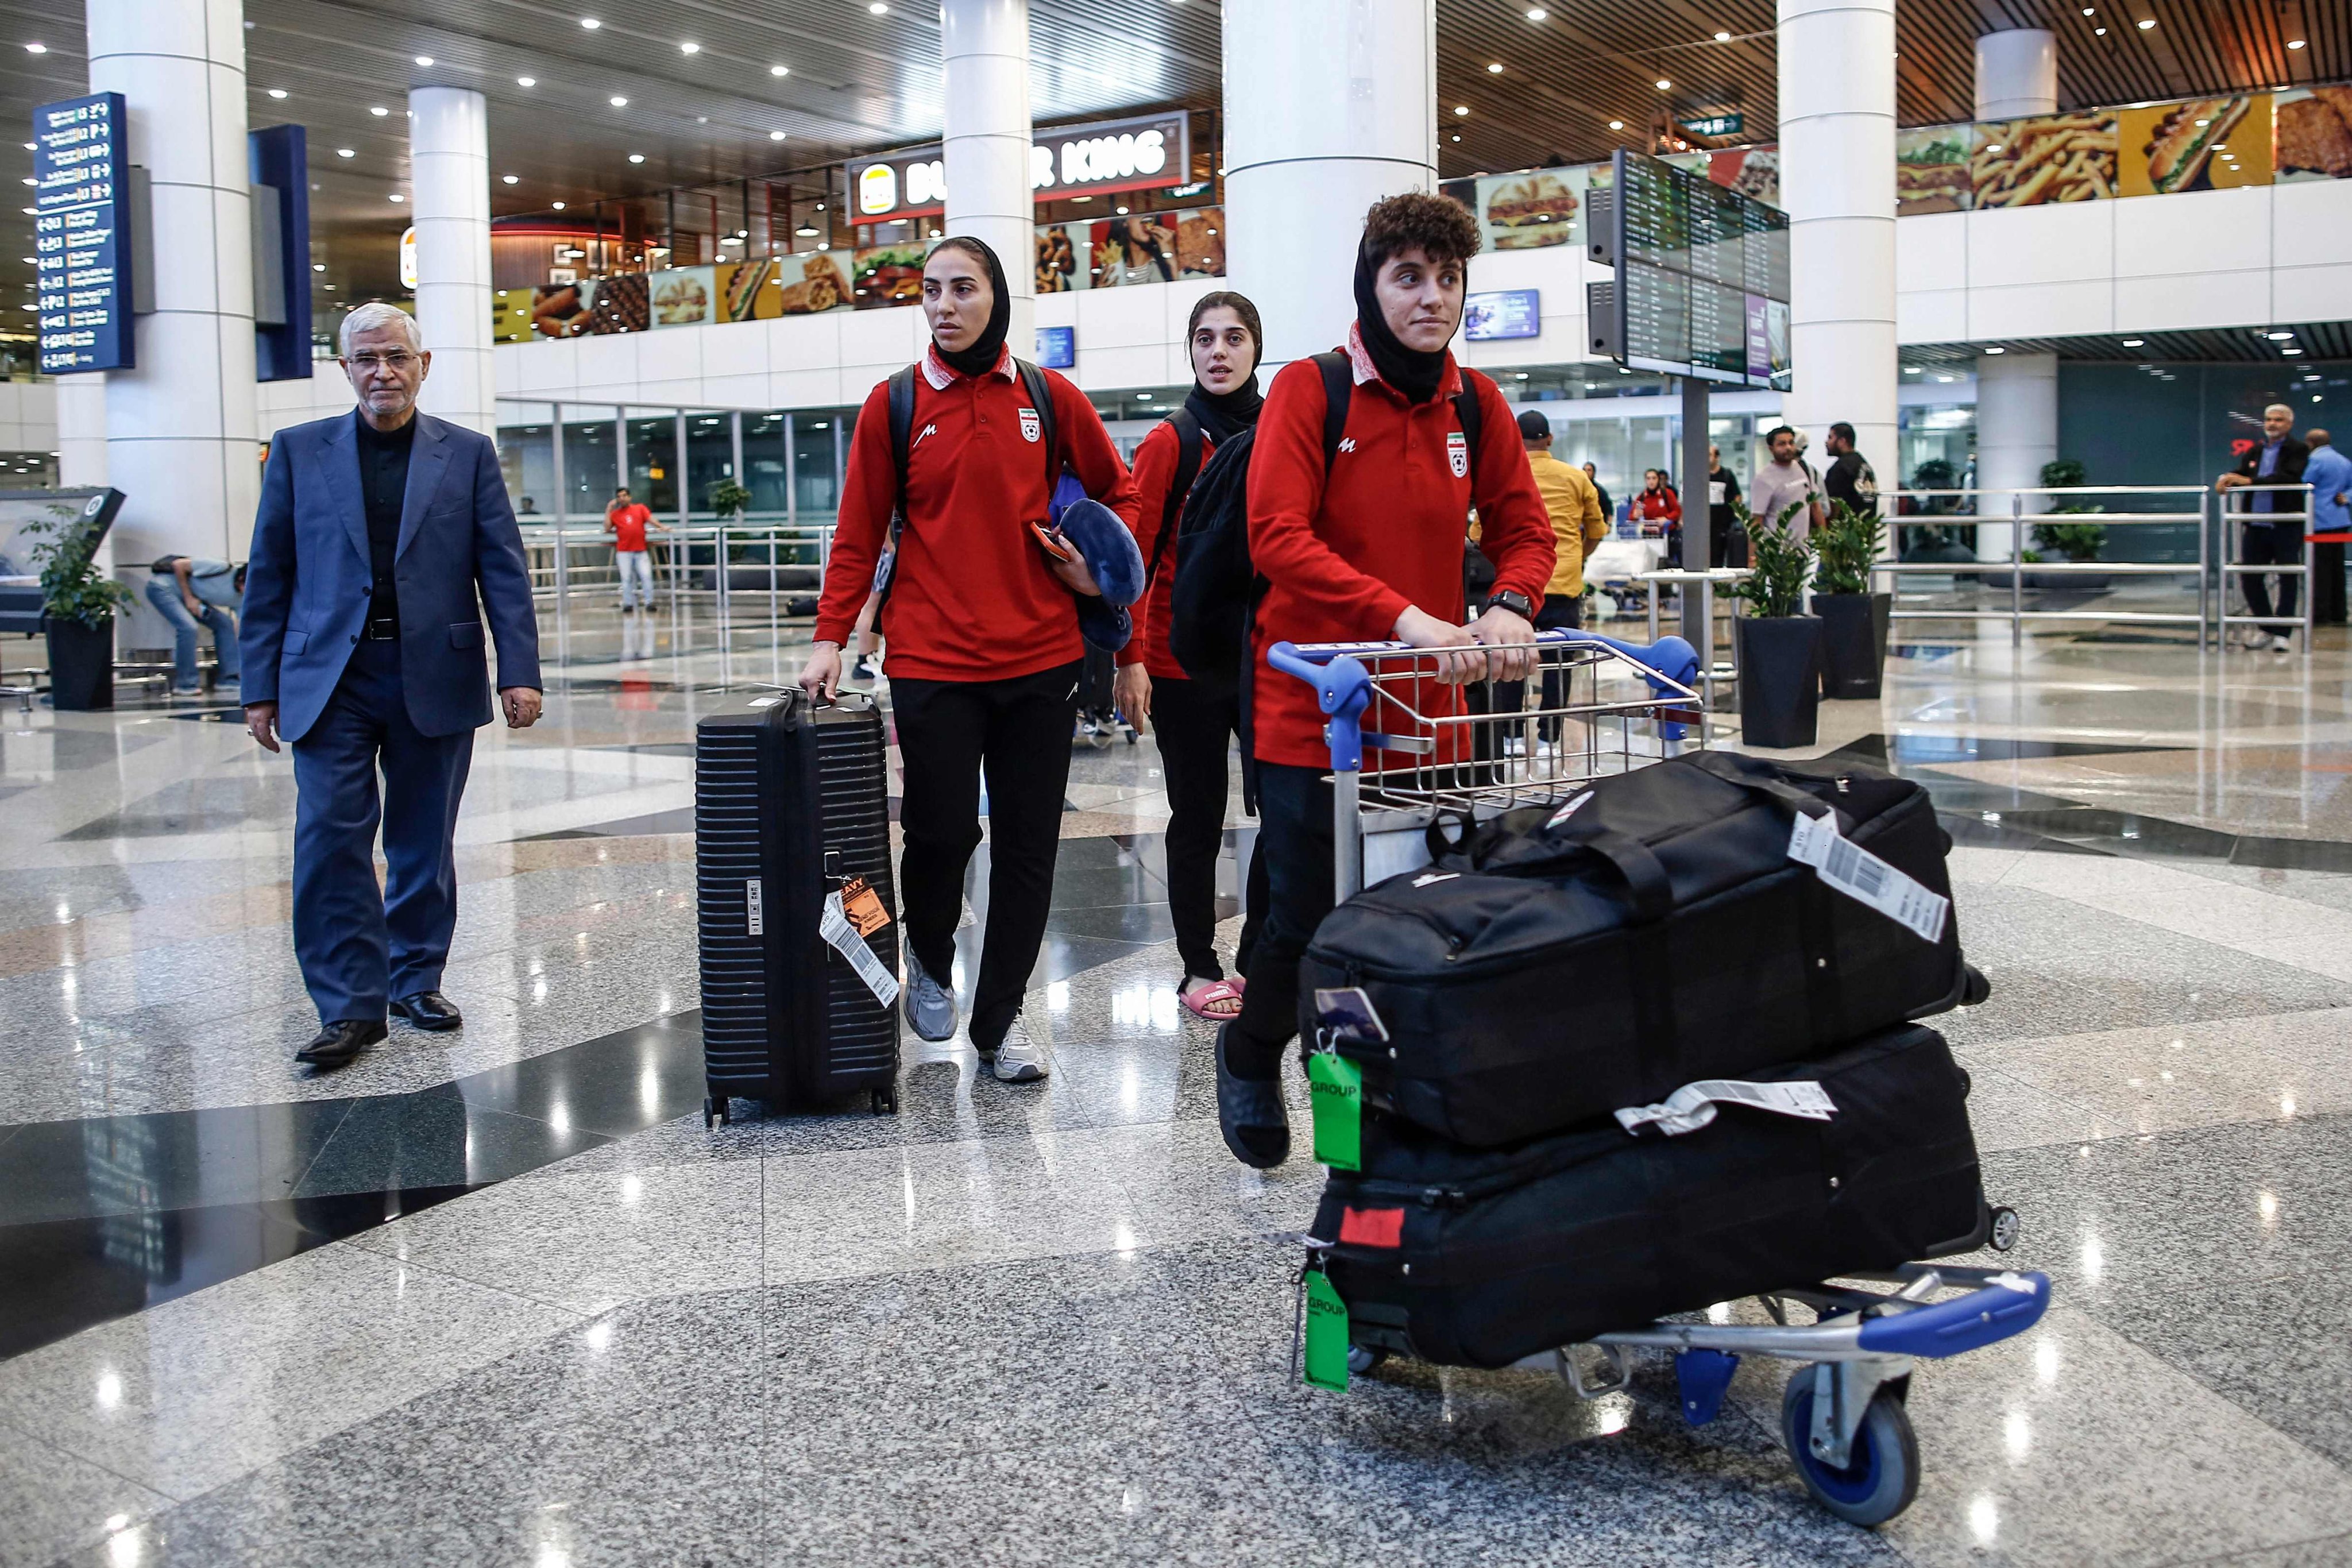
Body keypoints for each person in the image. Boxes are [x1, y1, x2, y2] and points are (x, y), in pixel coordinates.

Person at [1216, 191, 1554, 1168]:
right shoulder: (1310, 392)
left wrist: (1512, 605)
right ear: (1371, 282)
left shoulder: (1476, 403)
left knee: (1421, 916)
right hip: (1313, 709)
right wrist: (1405, 618)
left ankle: (1382, 1113)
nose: (1432, 298)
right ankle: (1250, 1052)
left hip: (1431, 711)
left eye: (1448, 278)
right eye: (1410, 276)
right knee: (1305, 920)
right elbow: (1276, 537)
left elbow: (1529, 532)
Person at [801, 236, 1140, 1083]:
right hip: (933, 660)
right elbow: (856, 533)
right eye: (931, 291)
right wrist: (829, 636)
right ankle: (926, 953)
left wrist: (1094, 569)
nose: (944, 305)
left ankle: (1002, 1019)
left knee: (1029, 847)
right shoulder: (895, 404)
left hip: (1042, 660)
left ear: (997, 299)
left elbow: (1120, 491)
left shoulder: (1048, 396)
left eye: (962, 289)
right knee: (939, 832)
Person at [240, 302, 542, 1069]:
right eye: (367, 358)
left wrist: (520, 672)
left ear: (424, 363)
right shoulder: (298, 451)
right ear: (344, 368)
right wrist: (258, 686)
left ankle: (414, 979)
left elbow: (502, 570)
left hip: (433, 671)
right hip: (328, 679)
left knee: (420, 842)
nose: (384, 372)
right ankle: (347, 1007)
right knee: (329, 839)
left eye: (397, 356)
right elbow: (269, 574)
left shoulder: (466, 453)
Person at [1118, 290, 1272, 1022]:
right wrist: (1131, 659)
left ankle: (1262, 957)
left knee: (1287, 809)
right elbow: (1135, 561)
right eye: (1205, 338)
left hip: (1271, 661)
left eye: (1233, 337)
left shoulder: (1284, 432)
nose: (1219, 351)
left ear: (1254, 348)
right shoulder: (1171, 442)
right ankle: (1197, 966)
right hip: (1184, 667)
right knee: (1199, 815)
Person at [2218, 404, 2311, 650]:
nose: (2272, 424)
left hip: (2285, 525)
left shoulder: (2298, 450)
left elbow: (2290, 477)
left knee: (2288, 578)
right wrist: (2226, 480)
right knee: (2249, 576)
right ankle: (2266, 627)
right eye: (2269, 420)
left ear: (2289, 424)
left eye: (2278, 420)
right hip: (2256, 526)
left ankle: (2283, 633)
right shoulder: (2256, 450)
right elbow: (2241, 474)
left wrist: (2249, 481)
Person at [145, 555, 244, 697]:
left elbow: (240, 628)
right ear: (241, 579)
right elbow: (179, 565)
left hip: (194, 600)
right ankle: (185, 683)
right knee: (188, 628)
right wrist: (189, 597)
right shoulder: (222, 568)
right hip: (164, 588)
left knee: (225, 624)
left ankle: (228, 679)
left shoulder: (242, 599)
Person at [2302, 428, 2350, 626]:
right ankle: (2338, 612)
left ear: (2310, 443)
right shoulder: (2345, 461)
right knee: (2337, 569)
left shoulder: (2315, 461)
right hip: (2340, 520)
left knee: (2318, 570)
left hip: (2319, 521)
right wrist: (2347, 499)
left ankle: (2320, 614)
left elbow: (2303, 485)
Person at [1751, 424, 1824, 540]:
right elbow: (1757, 520)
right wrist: (1752, 556)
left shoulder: (1804, 470)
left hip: (1805, 549)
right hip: (1778, 551)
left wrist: (1824, 541)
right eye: (1782, 444)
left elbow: (1815, 506)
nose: (1788, 447)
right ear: (1771, 449)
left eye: (1791, 443)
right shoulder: (1763, 479)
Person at [605, 486, 667, 612]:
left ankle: (649, 602)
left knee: (646, 576)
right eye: (619, 497)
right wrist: (608, 510)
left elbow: (650, 519)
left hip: (640, 550)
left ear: (629, 497)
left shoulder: (640, 509)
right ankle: (628, 604)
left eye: (624, 496)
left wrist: (662, 527)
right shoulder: (615, 514)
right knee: (626, 578)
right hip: (624, 551)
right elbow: (607, 528)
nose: (622, 499)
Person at [1822, 422, 1880, 514]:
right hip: (1866, 526)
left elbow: (1834, 505)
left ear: (1842, 441)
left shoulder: (1840, 469)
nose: (1826, 442)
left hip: (1847, 526)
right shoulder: (1864, 465)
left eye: (1830, 438)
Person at [1708, 443, 1744, 567]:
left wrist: (1735, 512)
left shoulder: (1726, 475)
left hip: (1723, 523)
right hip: (1706, 524)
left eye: (1710, 455)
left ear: (1717, 457)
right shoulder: (1700, 476)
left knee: (1722, 556)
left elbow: (1737, 496)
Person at [1583, 461, 1614, 530]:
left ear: (1594, 473)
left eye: (1589, 470)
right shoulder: (1578, 489)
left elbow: (1609, 507)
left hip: (1596, 525)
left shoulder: (1600, 490)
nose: (1586, 472)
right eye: (1584, 470)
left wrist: (1609, 524)